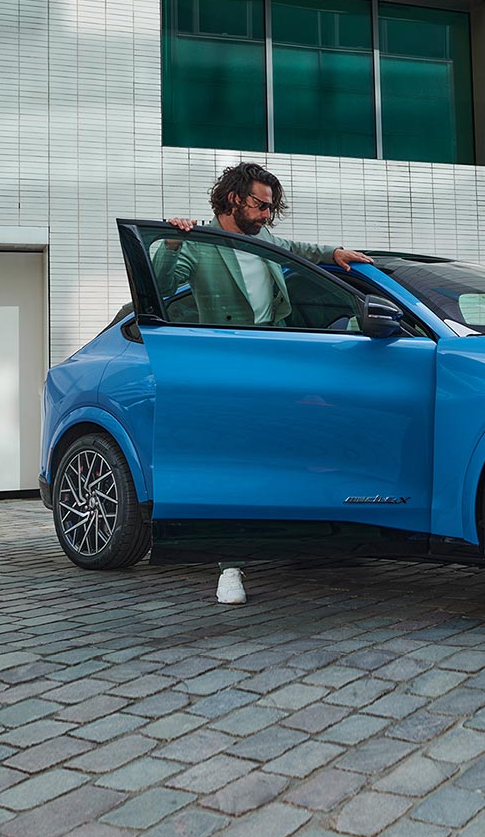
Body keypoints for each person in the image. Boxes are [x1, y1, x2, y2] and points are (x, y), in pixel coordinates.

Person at [157, 161, 373, 604]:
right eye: (260, 206)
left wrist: (336, 253)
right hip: (228, 369)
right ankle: (229, 567)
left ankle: (310, 538)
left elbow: (297, 247)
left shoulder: (265, 240)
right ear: (235, 198)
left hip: (278, 361)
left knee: (291, 451)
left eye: (272, 209)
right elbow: (161, 285)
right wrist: (173, 241)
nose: (267, 216)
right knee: (235, 467)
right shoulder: (198, 244)